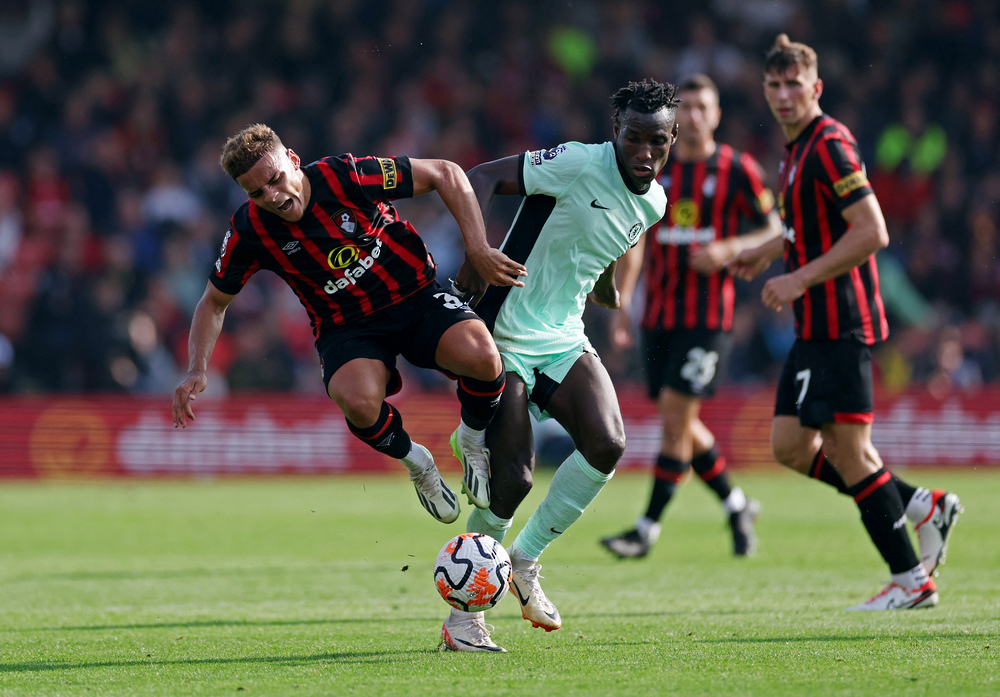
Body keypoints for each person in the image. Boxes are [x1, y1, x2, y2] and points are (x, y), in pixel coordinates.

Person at [171, 124, 528, 525]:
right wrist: (197, 369)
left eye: (274, 180)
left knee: (483, 356)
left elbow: (446, 172)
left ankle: (473, 439)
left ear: (291, 160)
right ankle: (418, 464)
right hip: (347, 326)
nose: (271, 196)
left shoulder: (347, 175)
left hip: (414, 296)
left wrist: (477, 248)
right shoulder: (250, 230)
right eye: (256, 193)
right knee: (356, 402)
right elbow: (213, 302)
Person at [439, 79, 678, 652]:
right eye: (635, 139)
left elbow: (603, 240)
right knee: (514, 479)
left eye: (659, 142)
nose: (645, 153)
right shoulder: (574, 161)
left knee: (607, 443)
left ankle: (524, 560)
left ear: (673, 140)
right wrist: (476, 249)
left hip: (563, 335)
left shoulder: (656, 201)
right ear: (614, 131)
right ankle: (463, 620)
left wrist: (608, 287)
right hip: (501, 334)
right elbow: (479, 176)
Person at [729, 35, 962, 611]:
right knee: (788, 444)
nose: (783, 95)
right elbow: (804, 224)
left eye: (794, 85)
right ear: (765, 89)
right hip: (815, 326)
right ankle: (919, 505)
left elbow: (872, 231)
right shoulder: (796, 149)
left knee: (848, 450)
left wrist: (799, 278)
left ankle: (910, 579)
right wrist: (766, 250)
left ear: (817, 88)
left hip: (841, 320)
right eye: (774, 85)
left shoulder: (830, 143)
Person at [600, 74, 781, 560]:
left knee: (676, 420)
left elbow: (774, 228)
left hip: (708, 319)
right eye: (690, 107)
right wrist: (624, 302)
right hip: (659, 316)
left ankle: (646, 528)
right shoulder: (654, 166)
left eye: (706, 107)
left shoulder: (738, 169)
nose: (697, 115)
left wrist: (730, 246)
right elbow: (636, 239)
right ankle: (737, 504)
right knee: (680, 422)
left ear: (718, 115)